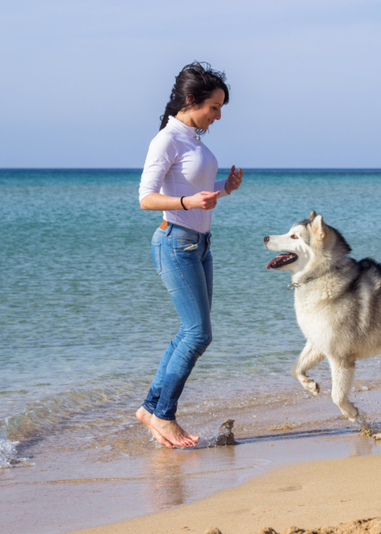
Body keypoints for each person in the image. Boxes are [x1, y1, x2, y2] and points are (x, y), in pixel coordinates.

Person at [136, 62, 243, 448]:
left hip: (200, 245)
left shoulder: (192, 139)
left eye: (220, 109)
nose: (217, 116)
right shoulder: (166, 140)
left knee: (191, 332)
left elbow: (198, 191)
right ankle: (164, 415)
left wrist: (224, 188)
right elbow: (146, 198)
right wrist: (185, 201)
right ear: (190, 100)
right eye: (214, 107)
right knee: (198, 334)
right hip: (175, 242)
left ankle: (151, 409)